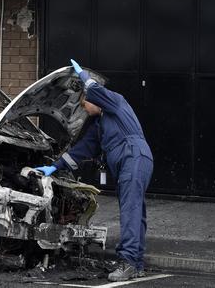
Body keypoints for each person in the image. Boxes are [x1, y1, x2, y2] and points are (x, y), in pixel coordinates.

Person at [36, 59, 154, 282]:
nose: (83, 109)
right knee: (136, 211)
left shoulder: (116, 102)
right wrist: (54, 166)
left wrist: (81, 75)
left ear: (92, 100)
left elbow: (94, 89)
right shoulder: (101, 126)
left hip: (133, 156)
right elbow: (82, 150)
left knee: (130, 210)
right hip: (133, 160)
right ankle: (135, 263)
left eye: (83, 104)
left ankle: (128, 262)